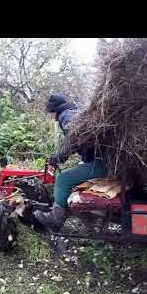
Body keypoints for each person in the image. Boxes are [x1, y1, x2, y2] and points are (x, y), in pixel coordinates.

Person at [34, 93, 106, 232]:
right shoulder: (78, 111)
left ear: (55, 111)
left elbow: (75, 137)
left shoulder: (66, 115)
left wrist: (57, 158)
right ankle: (90, 215)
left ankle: (55, 219)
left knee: (63, 179)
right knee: (79, 170)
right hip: (104, 159)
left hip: (102, 163)